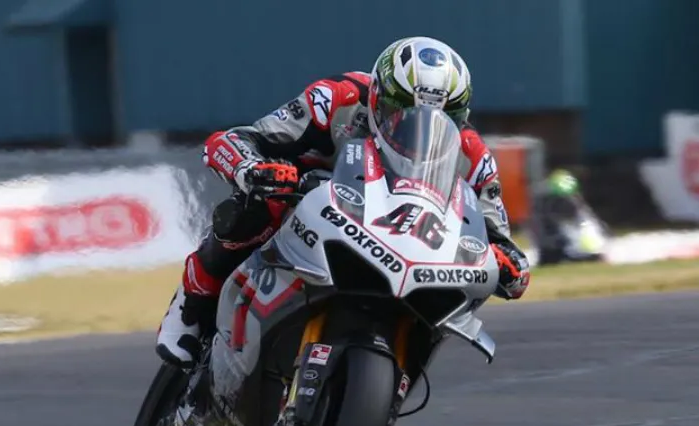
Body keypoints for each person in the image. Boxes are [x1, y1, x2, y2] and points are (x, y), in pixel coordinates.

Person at [157, 36, 532, 368]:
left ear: (459, 118)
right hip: (306, 210)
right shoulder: (336, 98)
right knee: (255, 207)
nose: (418, 128)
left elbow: (501, 245)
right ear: (378, 96)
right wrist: (254, 169)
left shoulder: (473, 156)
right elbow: (236, 140)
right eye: (404, 111)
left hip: (403, 245)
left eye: (440, 119)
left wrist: (506, 264)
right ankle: (194, 300)